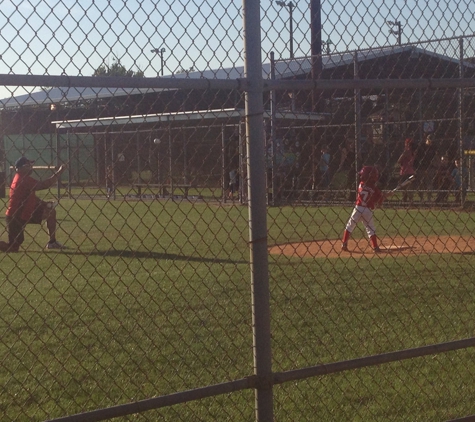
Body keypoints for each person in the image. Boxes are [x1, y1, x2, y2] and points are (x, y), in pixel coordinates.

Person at [0, 157, 67, 252]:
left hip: (25, 213)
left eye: (30, 165)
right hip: (16, 216)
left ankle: (52, 242)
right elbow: (45, 185)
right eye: (28, 165)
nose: (31, 167)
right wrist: (60, 172)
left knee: (50, 212)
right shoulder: (22, 179)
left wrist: (44, 204)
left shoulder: (23, 178)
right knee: (13, 247)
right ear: (20, 168)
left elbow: (30, 197)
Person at [341, 166, 395, 253]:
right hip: (367, 210)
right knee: (370, 229)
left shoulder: (361, 184)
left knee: (349, 226)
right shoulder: (374, 188)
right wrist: (386, 195)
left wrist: (383, 195)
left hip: (358, 208)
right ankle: (375, 247)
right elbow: (378, 199)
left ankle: (344, 243)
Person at [415, 134, 438, 202]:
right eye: (429, 141)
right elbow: (417, 158)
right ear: (426, 140)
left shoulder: (433, 148)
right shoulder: (421, 147)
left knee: (429, 183)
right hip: (421, 168)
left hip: (429, 168)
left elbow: (434, 158)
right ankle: (421, 198)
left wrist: (434, 166)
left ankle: (428, 199)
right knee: (421, 184)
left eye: (432, 141)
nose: (431, 142)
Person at [397, 138, 416, 203]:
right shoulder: (413, 152)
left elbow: (399, 161)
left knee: (404, 187)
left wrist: (403, 154)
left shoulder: (407, 151)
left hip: (404, 172)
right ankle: (410, 200)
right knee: (409, 187)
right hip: (410, 171)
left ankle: (405, 200)